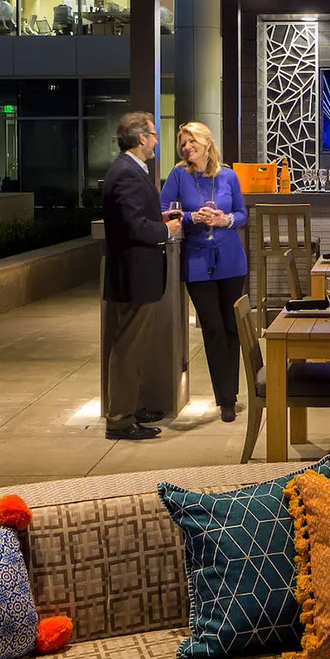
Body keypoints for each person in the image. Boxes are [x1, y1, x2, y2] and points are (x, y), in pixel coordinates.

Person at [161, 122, 248, 422]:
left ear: (207, 143)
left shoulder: (228, 175)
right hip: (197, 262)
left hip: (231, 260)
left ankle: (231, 394)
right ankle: (224, 398)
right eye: (183, 143)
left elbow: (242, 214)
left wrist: (226, 220)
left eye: (192, 141)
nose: (187, 147)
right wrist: (191, 217)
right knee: (212, 328)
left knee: (231, 328)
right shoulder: (178, 175)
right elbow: (164, 210)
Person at [102, 111, 181, 440]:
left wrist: (158, 216)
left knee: (134, 348)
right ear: (140, 138)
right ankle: (120, 420)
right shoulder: (126, 173)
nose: (156, 141)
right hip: (134, 276)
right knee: (128, 349)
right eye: (154, 135)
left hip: (138, 275)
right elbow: (133, 227)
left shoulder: (130, 169)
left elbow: (133, 216)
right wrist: (166, 229)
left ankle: (131, 407)